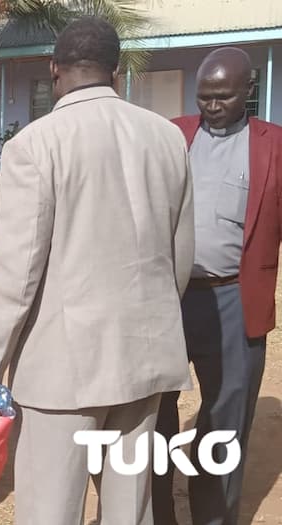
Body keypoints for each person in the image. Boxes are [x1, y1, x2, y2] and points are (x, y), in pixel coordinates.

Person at [0, 17, 194, 525]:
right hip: (145, 360)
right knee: (129, 513)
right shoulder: (167, 138)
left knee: (51, 512)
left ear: (54, 70)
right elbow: (178, 261)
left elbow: (16, 276)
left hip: (61, 375)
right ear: (116, 71)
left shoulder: (35, 144)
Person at [153, 46, 282, 525]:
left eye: (223, 97)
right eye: (204, 96)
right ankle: (157, 510)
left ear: (248, 92)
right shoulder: (173, 135)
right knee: (154, 409)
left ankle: (213, 515)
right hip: (169, 298)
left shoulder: (274, 145)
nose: (210, 106)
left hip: (234, 298)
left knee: (225, 418)